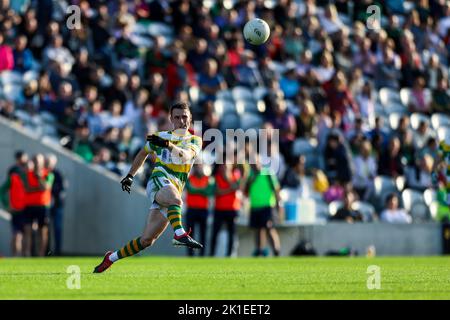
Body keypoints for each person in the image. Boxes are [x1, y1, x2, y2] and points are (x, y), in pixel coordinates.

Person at [93, 102, 203, 273]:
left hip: (173, 188)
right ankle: (180, 233)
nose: (182, 121)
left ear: (190, 119)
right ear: (171, 119)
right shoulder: (160, 136)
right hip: (159, 181)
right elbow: (143, 153)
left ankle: (111, 257)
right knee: (176, 199)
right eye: (177, 117)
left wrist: (167, 145)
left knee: (146, 241)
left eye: (185, 117)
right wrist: (130, 175)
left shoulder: (195, 140)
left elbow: (185, 156)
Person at [246, 155, 282, 257]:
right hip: (255, 206)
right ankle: (259, 251)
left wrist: (279, 205)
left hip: (267, 206)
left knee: (269, 228)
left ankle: (276, 251)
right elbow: (245, 190)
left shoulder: (267, 174)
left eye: (255, 162)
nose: (254, 165)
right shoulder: (251, 176)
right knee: (258, 229)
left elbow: (276, 190)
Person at [23, 154, 55, 257]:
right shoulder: (28, 173)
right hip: (29, 205)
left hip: (43, 206)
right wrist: (39, 188)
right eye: (35, 161)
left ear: (42, 162)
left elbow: (46, 187)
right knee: (28, 229)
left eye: (39, 161)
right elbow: (27, 188)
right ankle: (27, 253)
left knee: (43, 230)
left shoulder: (48, 174)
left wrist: (39, 177)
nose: (37, 163)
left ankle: (41, 254)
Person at [0, 151, 29, 256]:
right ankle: (15, 258)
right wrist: (7, 205)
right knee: (17, 235)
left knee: (27, 234)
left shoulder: (31, 175)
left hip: (27, 208)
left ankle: (27, 257)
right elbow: (3, 190)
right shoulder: (14, 174)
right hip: (16, 209)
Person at [209, 163, 241, 257]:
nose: (224, 168)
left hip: (232, 208)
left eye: (226, 166)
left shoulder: (235, 174)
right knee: (215, 233)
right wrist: (229, 189)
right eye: (222, 166)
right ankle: (211, 254)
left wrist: (227, 179)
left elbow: (237, 187)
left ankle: (230, 254)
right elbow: (217, 192)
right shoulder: (216, 177)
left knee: (232, 234)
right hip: (219, 209)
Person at [184, 164, 214, 257]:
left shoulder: (208, 179)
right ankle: (190, 255)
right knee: (189, 235)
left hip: (203, 210)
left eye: (200, 167)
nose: (199, 168)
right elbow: (190, 189)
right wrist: (202, 190)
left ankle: (202, 255)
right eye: (197, 167)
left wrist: (197, 190)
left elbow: (208, 192)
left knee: (203, 234)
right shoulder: (189, 179)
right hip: (191, 209)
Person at [46, 154, 66, 256]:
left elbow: (62, 189)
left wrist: (52, 193)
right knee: (46, 229)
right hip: (46, 205)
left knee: (57, 228)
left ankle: (58, 251)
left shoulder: (58, 174)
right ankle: (47, 251)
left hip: (57, 205)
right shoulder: (44, 173)